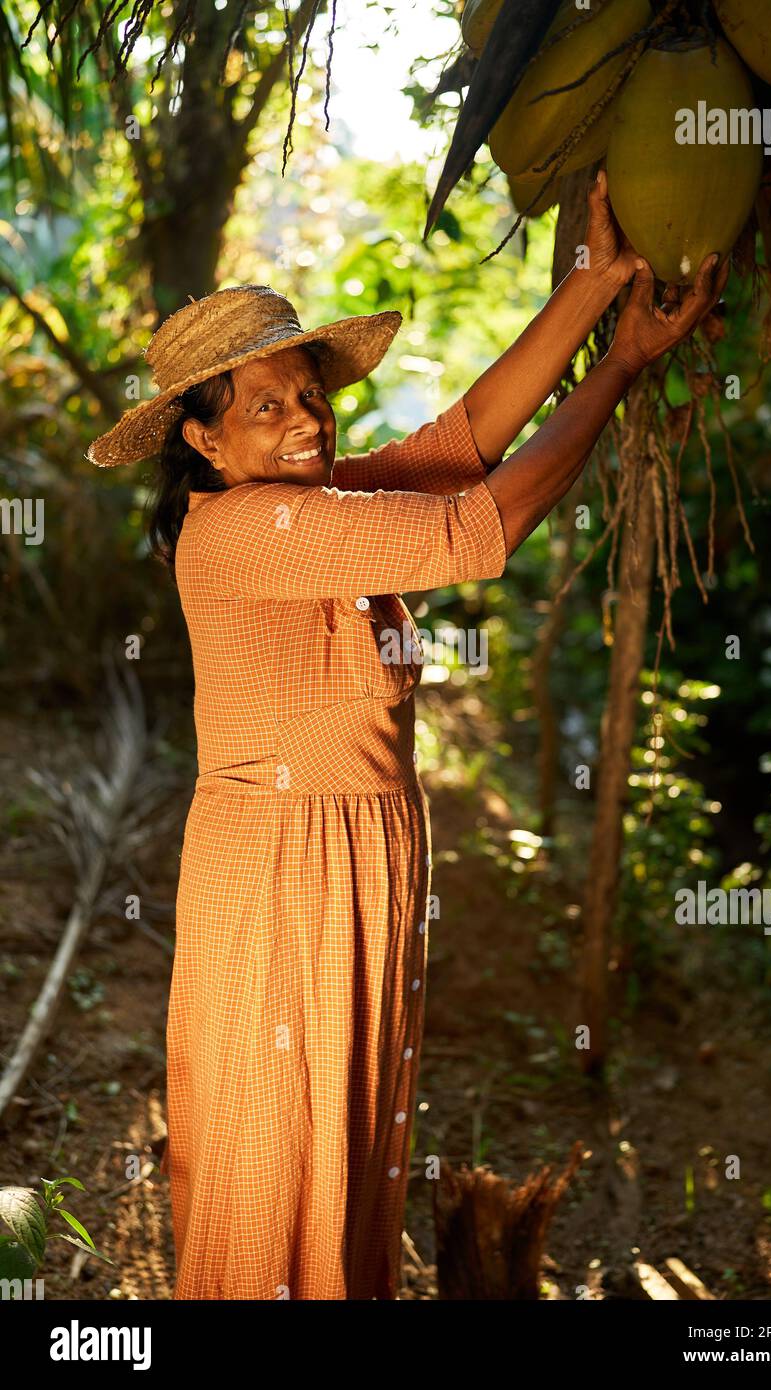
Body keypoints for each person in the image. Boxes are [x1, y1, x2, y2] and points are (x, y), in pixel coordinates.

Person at [86, 171, 727, 1300]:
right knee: (275, 1149)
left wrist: (593, 285)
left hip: (356, 853)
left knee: (341, 1149)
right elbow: (471, 533)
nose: (304, 422)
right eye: (265, 408)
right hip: (284, 863)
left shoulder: (312, 505)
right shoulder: (246, 528)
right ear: (203, 441)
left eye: (307, 395)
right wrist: (621, 367)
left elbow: (464, 442)